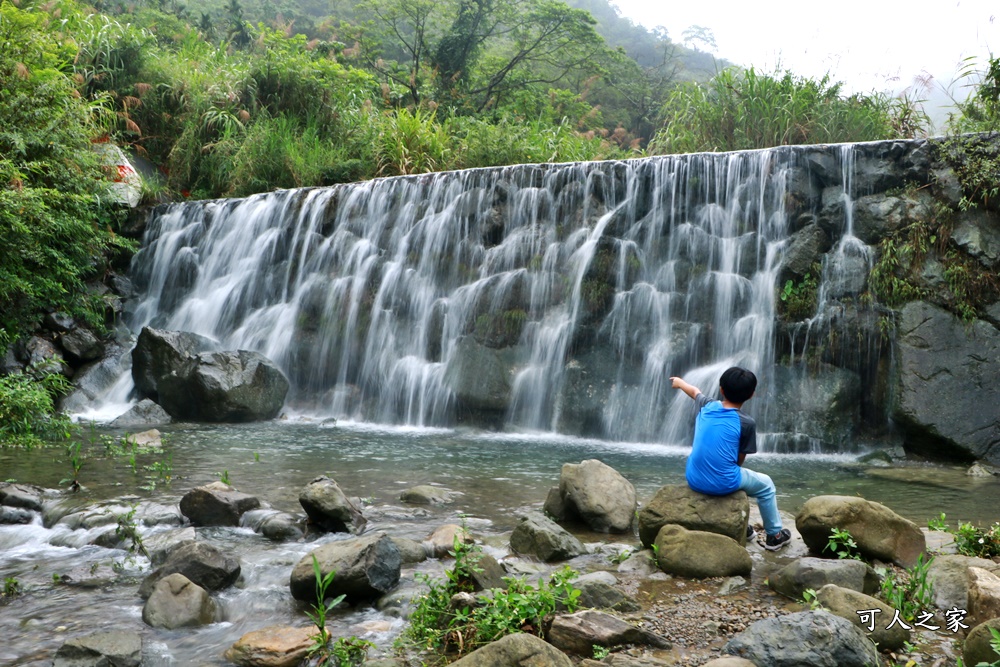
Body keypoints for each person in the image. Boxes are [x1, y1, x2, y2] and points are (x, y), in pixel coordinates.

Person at [670, 367, 791, 551]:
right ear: (751, 395)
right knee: (766, 486)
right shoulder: (746, 423)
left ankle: (745, 530)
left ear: (721, 389)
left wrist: (680, 383)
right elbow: (739, 459)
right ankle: (774, 535)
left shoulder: (706, 405)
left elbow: (694, 391)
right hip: (723, 482)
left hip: (693, 478)